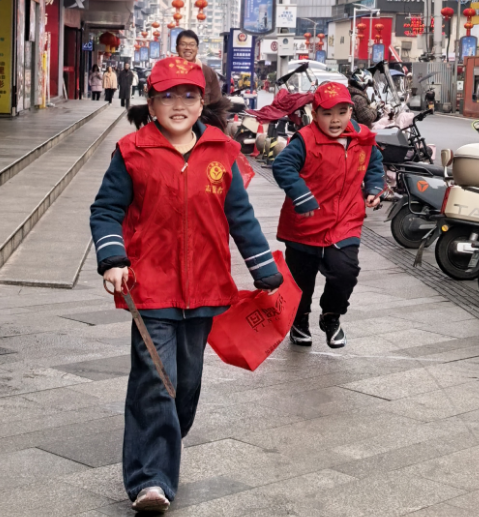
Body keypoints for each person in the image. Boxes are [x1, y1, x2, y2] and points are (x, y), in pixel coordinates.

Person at [90, 56, 283, 513]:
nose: (178, 105)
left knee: (187, 385)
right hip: (149, 288)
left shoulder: (222, 151)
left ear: (202, 102)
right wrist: (113, 260)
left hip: (206, 288)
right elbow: (106, 210)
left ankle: (162, 442)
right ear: (151, 102)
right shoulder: (131, 151)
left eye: (189, 95)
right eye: (167, 96)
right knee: (157, 380)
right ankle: (151, 480)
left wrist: (263, 269)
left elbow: (240, 215)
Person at [271, 82, 385, 348]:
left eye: (342, 112)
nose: (335, 120)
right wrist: (301, 195)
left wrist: (374, 188)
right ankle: (299, 320)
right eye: (327, 113)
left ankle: (331, 316)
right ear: (315, 114)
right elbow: (283, 166)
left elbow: (374, 163)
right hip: (305, 224)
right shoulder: (304, 140)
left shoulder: (362, 137)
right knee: (301, 281)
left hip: (345, 221)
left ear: (351, 112)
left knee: (345, 272)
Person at [176, 30, 222, 105]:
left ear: (197, 49)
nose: (187, 48)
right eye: (183, 44)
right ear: (177, 48)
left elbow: (217, 104)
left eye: (192, 45)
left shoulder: (208, 72)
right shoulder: (167, 71)